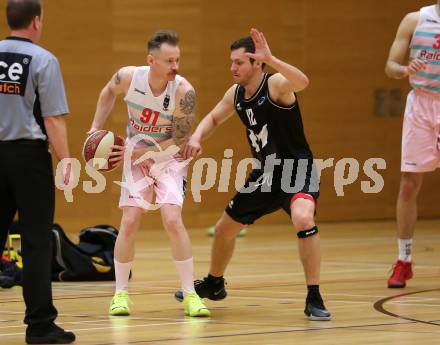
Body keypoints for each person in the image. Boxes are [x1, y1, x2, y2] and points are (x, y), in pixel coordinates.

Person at [175, 28, 331, 320]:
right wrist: (196, 137)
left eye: (239, 62)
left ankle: (314, 295)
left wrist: (272, 58)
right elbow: (213, 117)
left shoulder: (276, 86)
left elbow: (303, 81)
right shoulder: (235, 94)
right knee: (224, 229)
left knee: (303, 217)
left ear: (257, 63)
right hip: (265, 174)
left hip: (297, 170)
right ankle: (215, 283)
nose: (233, 67)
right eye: (232, 62)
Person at [88, 30, 210, 317]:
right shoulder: (128, 77)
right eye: (169, 60)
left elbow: (179, 140)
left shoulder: (184, 91)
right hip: (136, 153)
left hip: (168, 157)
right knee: (129, 221)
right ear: (151, 61)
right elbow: (107, 92)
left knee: (172, 219)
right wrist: (95, 127)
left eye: (177, 59)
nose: (175, 66)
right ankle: (120, 294)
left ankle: (190, 294)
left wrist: (139, 155)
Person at [0, 0, 75, 343]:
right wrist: (67, 161)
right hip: (28, 160)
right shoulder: (44, 60)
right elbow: (53, 119)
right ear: (36, 21)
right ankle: (40, 326)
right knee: (35, 243)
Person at [385, 2, 440, 288]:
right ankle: (403, 261)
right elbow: (390, 67)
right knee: (409, 184)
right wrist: (405, 68)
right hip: (421, 103)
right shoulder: (415, 20)